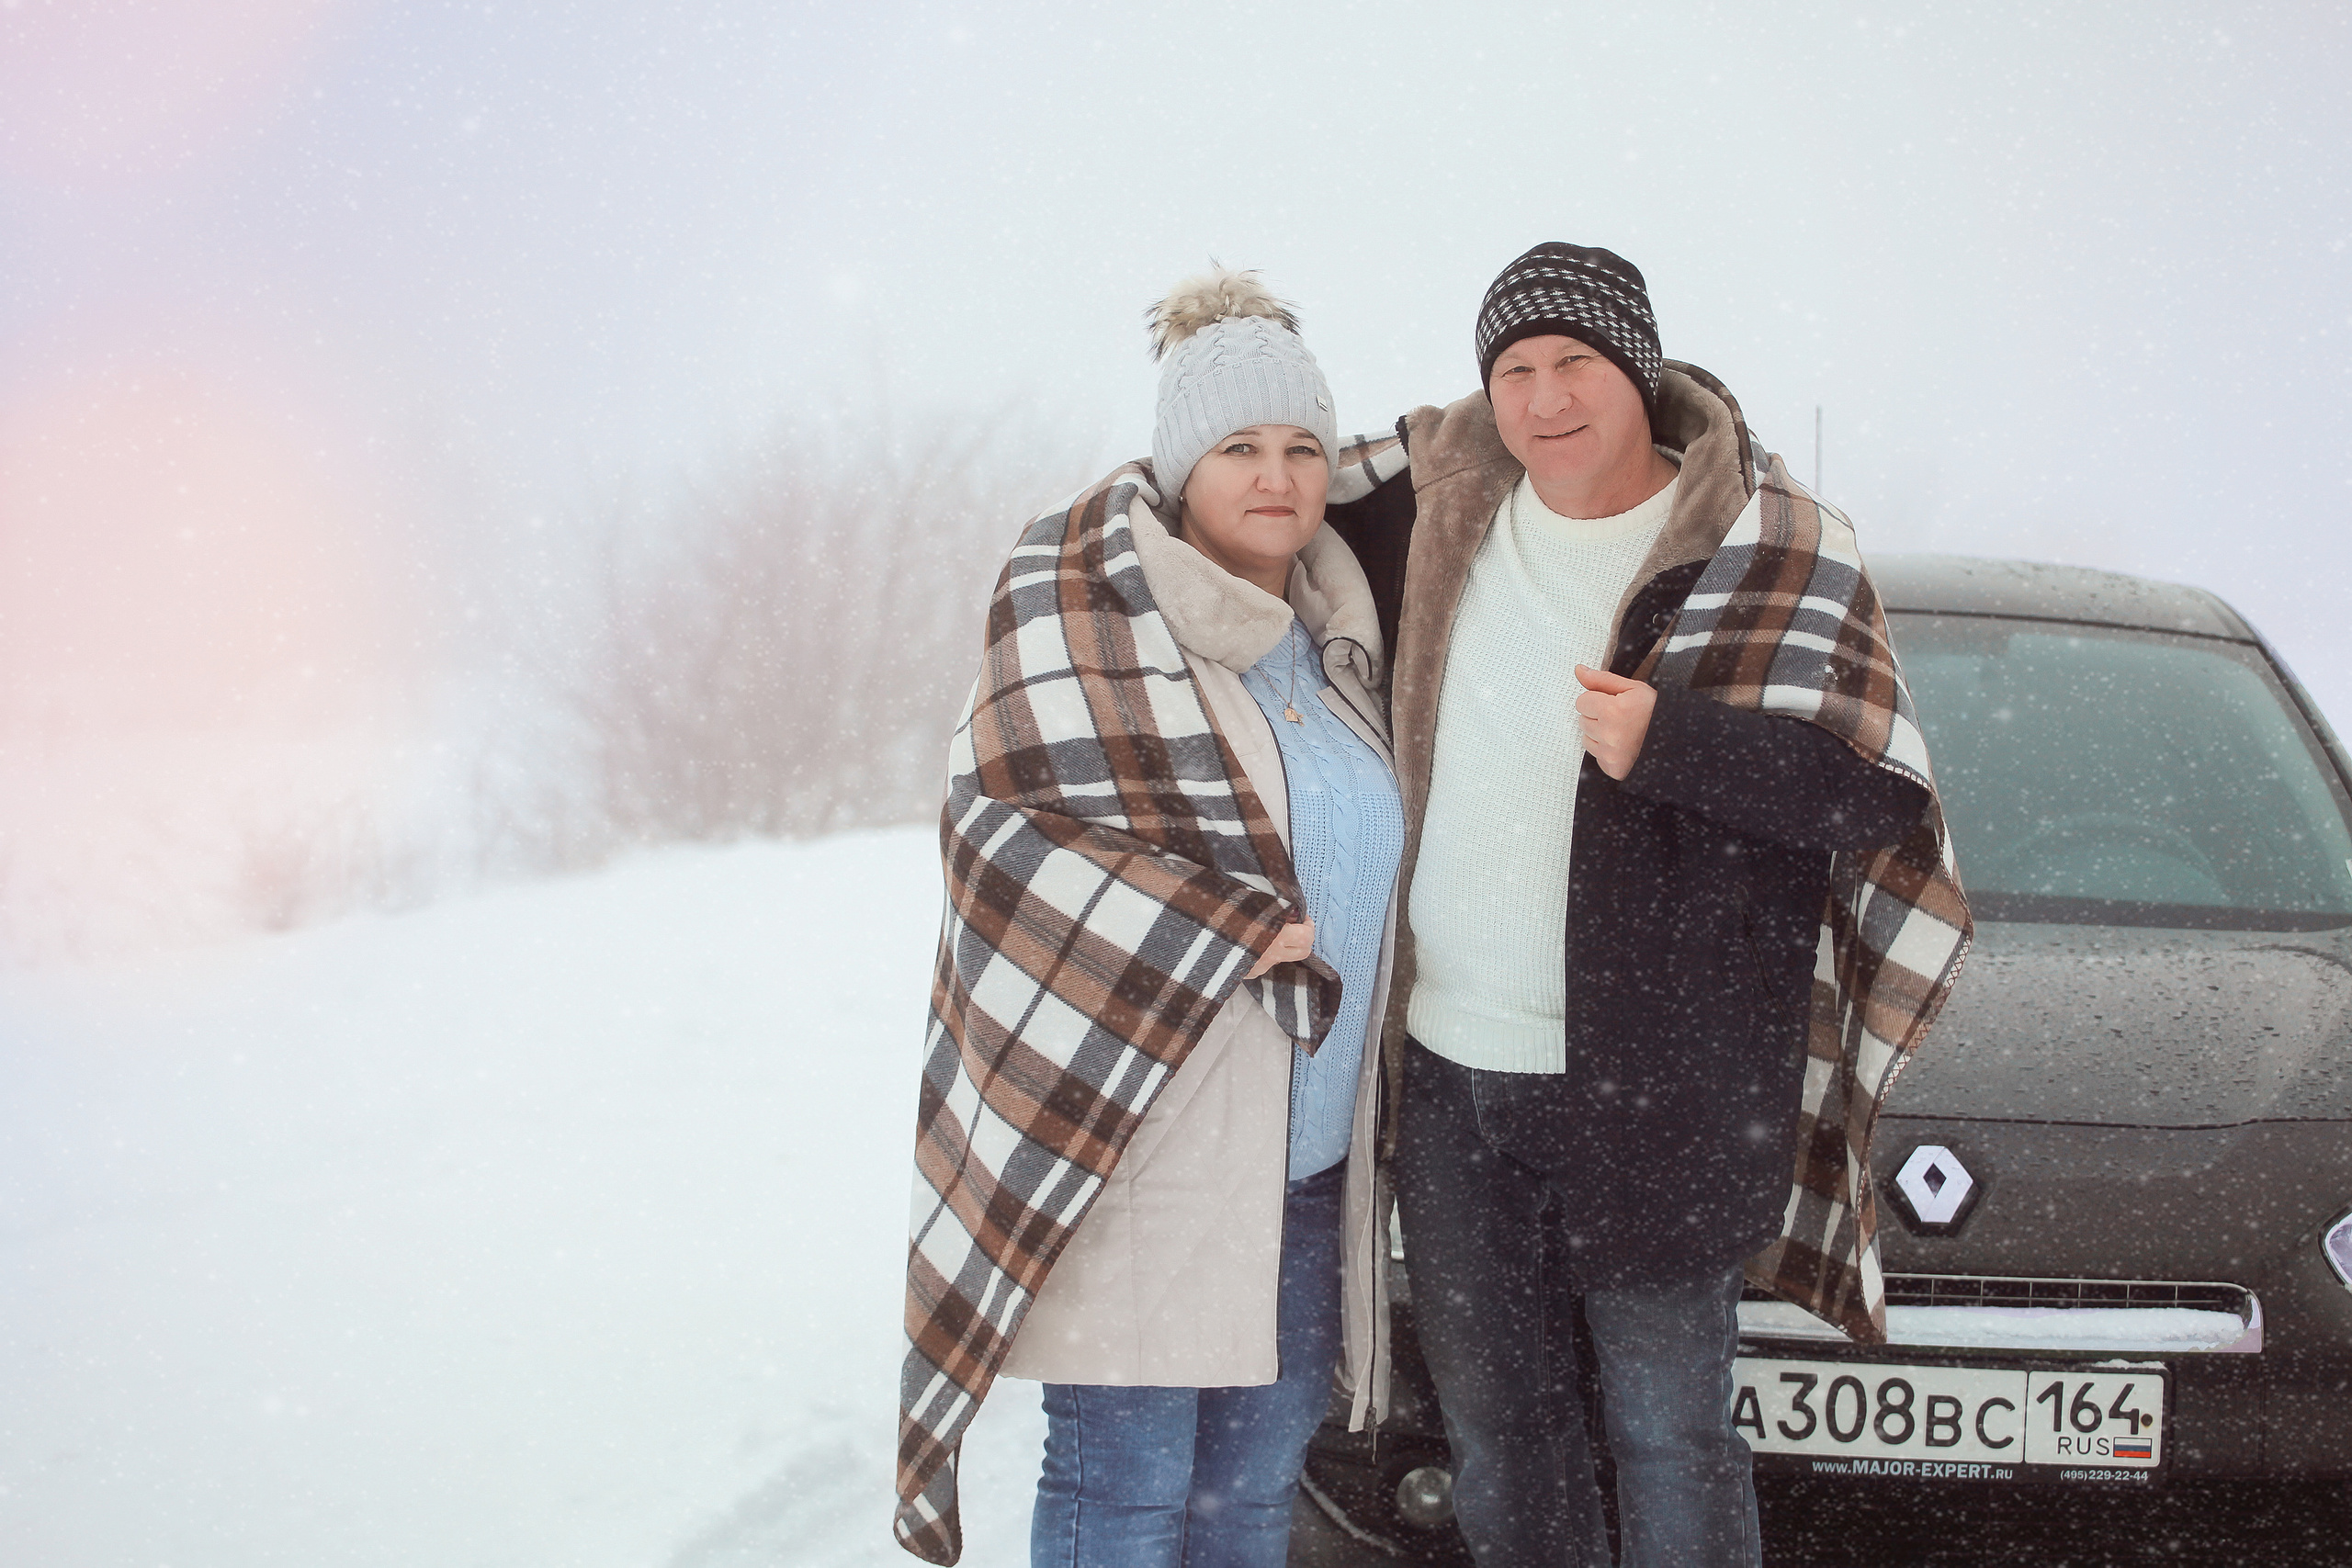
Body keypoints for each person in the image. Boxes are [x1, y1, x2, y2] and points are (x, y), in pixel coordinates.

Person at [1323, 243, 1972, 1567]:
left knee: (1670, 1434)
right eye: (1514, 370)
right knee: (1502, 1435)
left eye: (1575, 363)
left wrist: (1677, 742)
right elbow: (1242, 490)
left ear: (1638, 371)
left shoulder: (1765, 544)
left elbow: (1871, 797)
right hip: (1452, 1081)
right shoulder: (1439, 516)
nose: (1545, 399)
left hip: (1661, 1084)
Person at [894, 266, 1404, 1568]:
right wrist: (1216, 923)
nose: (1277, 476)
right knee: (1121, 1497)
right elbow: (999, 844)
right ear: (1182, 467)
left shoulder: (1344, 649)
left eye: (1301, 447)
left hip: (1310, 1162)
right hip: (1146, 1144)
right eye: (1240, 448)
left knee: (1249, 1502)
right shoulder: (1094, 627)